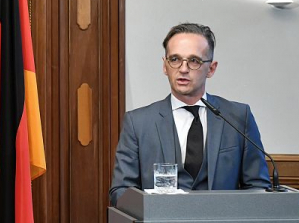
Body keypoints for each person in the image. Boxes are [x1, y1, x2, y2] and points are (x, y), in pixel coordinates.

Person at [109, 23, 270, 206]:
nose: (183, 69)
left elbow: (258, 186)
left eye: (194, 61)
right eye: (175, 59)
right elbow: (120, 191)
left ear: (211, 69)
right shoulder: (138, 123)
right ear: (165, 65)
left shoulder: (238, 117)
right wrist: (154, 209)